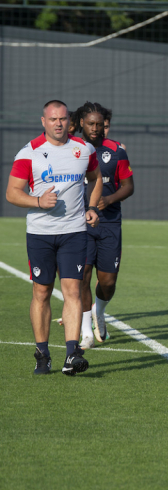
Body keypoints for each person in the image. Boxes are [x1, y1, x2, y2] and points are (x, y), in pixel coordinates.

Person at [6, 100, 103, 375]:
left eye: (62, 119)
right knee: (42, 292)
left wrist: (92, 207)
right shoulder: (28, 153)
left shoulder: (84, 149)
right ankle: (43, 353)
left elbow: (96, 178)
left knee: (73, 290)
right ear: (43, 121)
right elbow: (12, 193)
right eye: (53, 119)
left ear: (69, 121)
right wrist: (38, 201)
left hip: (74, 232)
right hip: (40, 234)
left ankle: (72, 354)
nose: (58, 123)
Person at [78, 102, 134, 348]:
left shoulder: (116, 151)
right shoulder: (72, 149)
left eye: (99, 124)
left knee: (108, 282)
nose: (95, 128)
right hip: (80, 224)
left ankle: (98, 312)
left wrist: (109, 200)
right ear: (81, 123)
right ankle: (86, 332)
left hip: (110, 222)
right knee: (82, 276)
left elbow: (129, 186)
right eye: (90, 123)